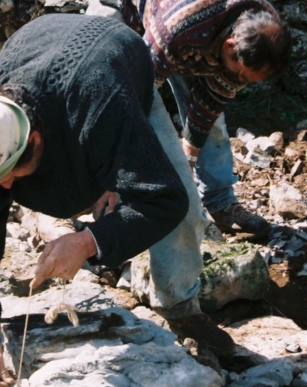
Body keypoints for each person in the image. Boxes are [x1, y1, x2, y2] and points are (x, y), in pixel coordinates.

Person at [0, 13, 234, 387]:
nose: (1, 185)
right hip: (43, 50)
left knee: (182, 213)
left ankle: (180, 306)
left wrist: (87, 242)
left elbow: (161, 199)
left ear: (32, 138)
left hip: (116, 75)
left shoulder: (102, 105)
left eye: (8, 172)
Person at [87, 0, 292, 237]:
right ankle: (96, 190)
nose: (240, 82)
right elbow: (134, 99)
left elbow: (211, 101)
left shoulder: (263, 28)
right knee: (105, 83)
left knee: (211, 125)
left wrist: (187, 161)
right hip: (123, 10)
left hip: (196, 38)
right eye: (240, 75)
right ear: (229, 46)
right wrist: (114, 175)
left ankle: (220, 201)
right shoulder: (179, 31)